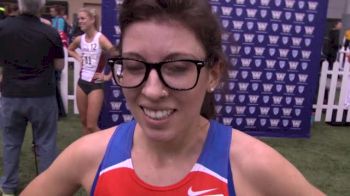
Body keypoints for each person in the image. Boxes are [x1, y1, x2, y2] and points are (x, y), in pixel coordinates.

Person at [21, 0, 325, 195]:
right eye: (134, 66)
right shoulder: (90, 155)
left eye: (178, 68)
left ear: (213, 73)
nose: (152, 91)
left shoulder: (252, 165)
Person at [0, 0, 64, 195]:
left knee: (11, 143)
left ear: (20, 5)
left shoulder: (3, 27)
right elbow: (59, 65)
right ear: (41, 6)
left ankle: (9, 187)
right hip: (42, 95)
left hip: (12, 94)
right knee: (46, 144)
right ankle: (47, 187)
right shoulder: (50, 32)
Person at [67, 8, 113, 135]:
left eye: (83, 18)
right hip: (81, 83)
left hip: (95, 85)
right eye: (78, 19)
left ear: (92, 20)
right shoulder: (79, 39)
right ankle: (87, 152)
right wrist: (79, 58)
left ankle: (107, 149)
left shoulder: (100, 38)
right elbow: (70, 49)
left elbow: (117, 56)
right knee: (84, 122)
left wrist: (108, 76)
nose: (79, 22)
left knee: (92, 125)